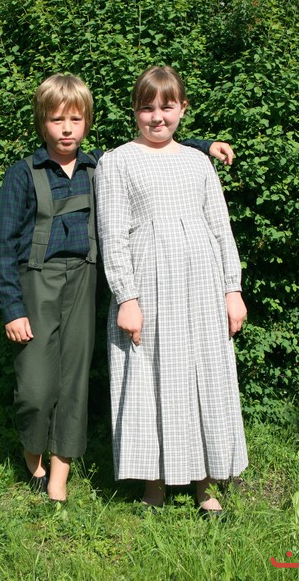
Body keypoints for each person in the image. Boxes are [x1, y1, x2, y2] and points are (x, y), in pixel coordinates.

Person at [0, 72, 237, 502]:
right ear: (41, 122)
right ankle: (41, 457)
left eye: (75, 120)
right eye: (56, 120)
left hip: (113, 281)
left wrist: (204, 145)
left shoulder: (102, 164)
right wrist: (14, 308)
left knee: (79, 383)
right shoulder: (47, 171)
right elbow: (7, 244)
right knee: (40, 387)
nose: (66, 129)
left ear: (87, 122)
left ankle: (61, 481)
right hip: (52, 282)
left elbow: (167, 152)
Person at [95, 66, 248, 514]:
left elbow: (220, 229)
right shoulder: (116, 161)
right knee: (151, 376)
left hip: (202, 287)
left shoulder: (199, 162)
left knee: (205, 376)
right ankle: (155, 483)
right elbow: (113, 234)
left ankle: (205, 483)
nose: (157, 117)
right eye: (147, 108)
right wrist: (126, 298)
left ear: (182, 108)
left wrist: (232, 289)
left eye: (167, 107)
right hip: (148, 286)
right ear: (135, 111)